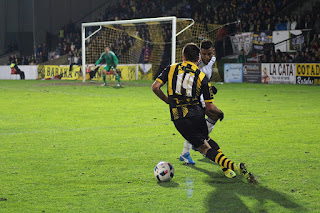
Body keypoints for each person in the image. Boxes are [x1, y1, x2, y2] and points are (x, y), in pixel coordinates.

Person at [152, 43, 257, 183]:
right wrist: (220, 113)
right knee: (206, 140)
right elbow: (210, 108)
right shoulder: (202, 76)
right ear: (198, 58)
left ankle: (234, 166)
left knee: (203, 148)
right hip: (197, 114)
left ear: (183, 56)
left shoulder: (171, 68)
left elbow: (155, 87)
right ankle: (226, 169)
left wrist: (167, 101)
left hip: (180, 117)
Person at [179, 39, 219, 165]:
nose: (207, 57)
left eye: (209, 54)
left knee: (214, 116)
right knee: (198, 124)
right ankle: (187, 152)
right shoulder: (194, 65)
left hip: (203, 96)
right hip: (194, 98)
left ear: (212, 52)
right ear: (199, 53)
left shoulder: (212, 60)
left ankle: (198, 143)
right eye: (204, 54)